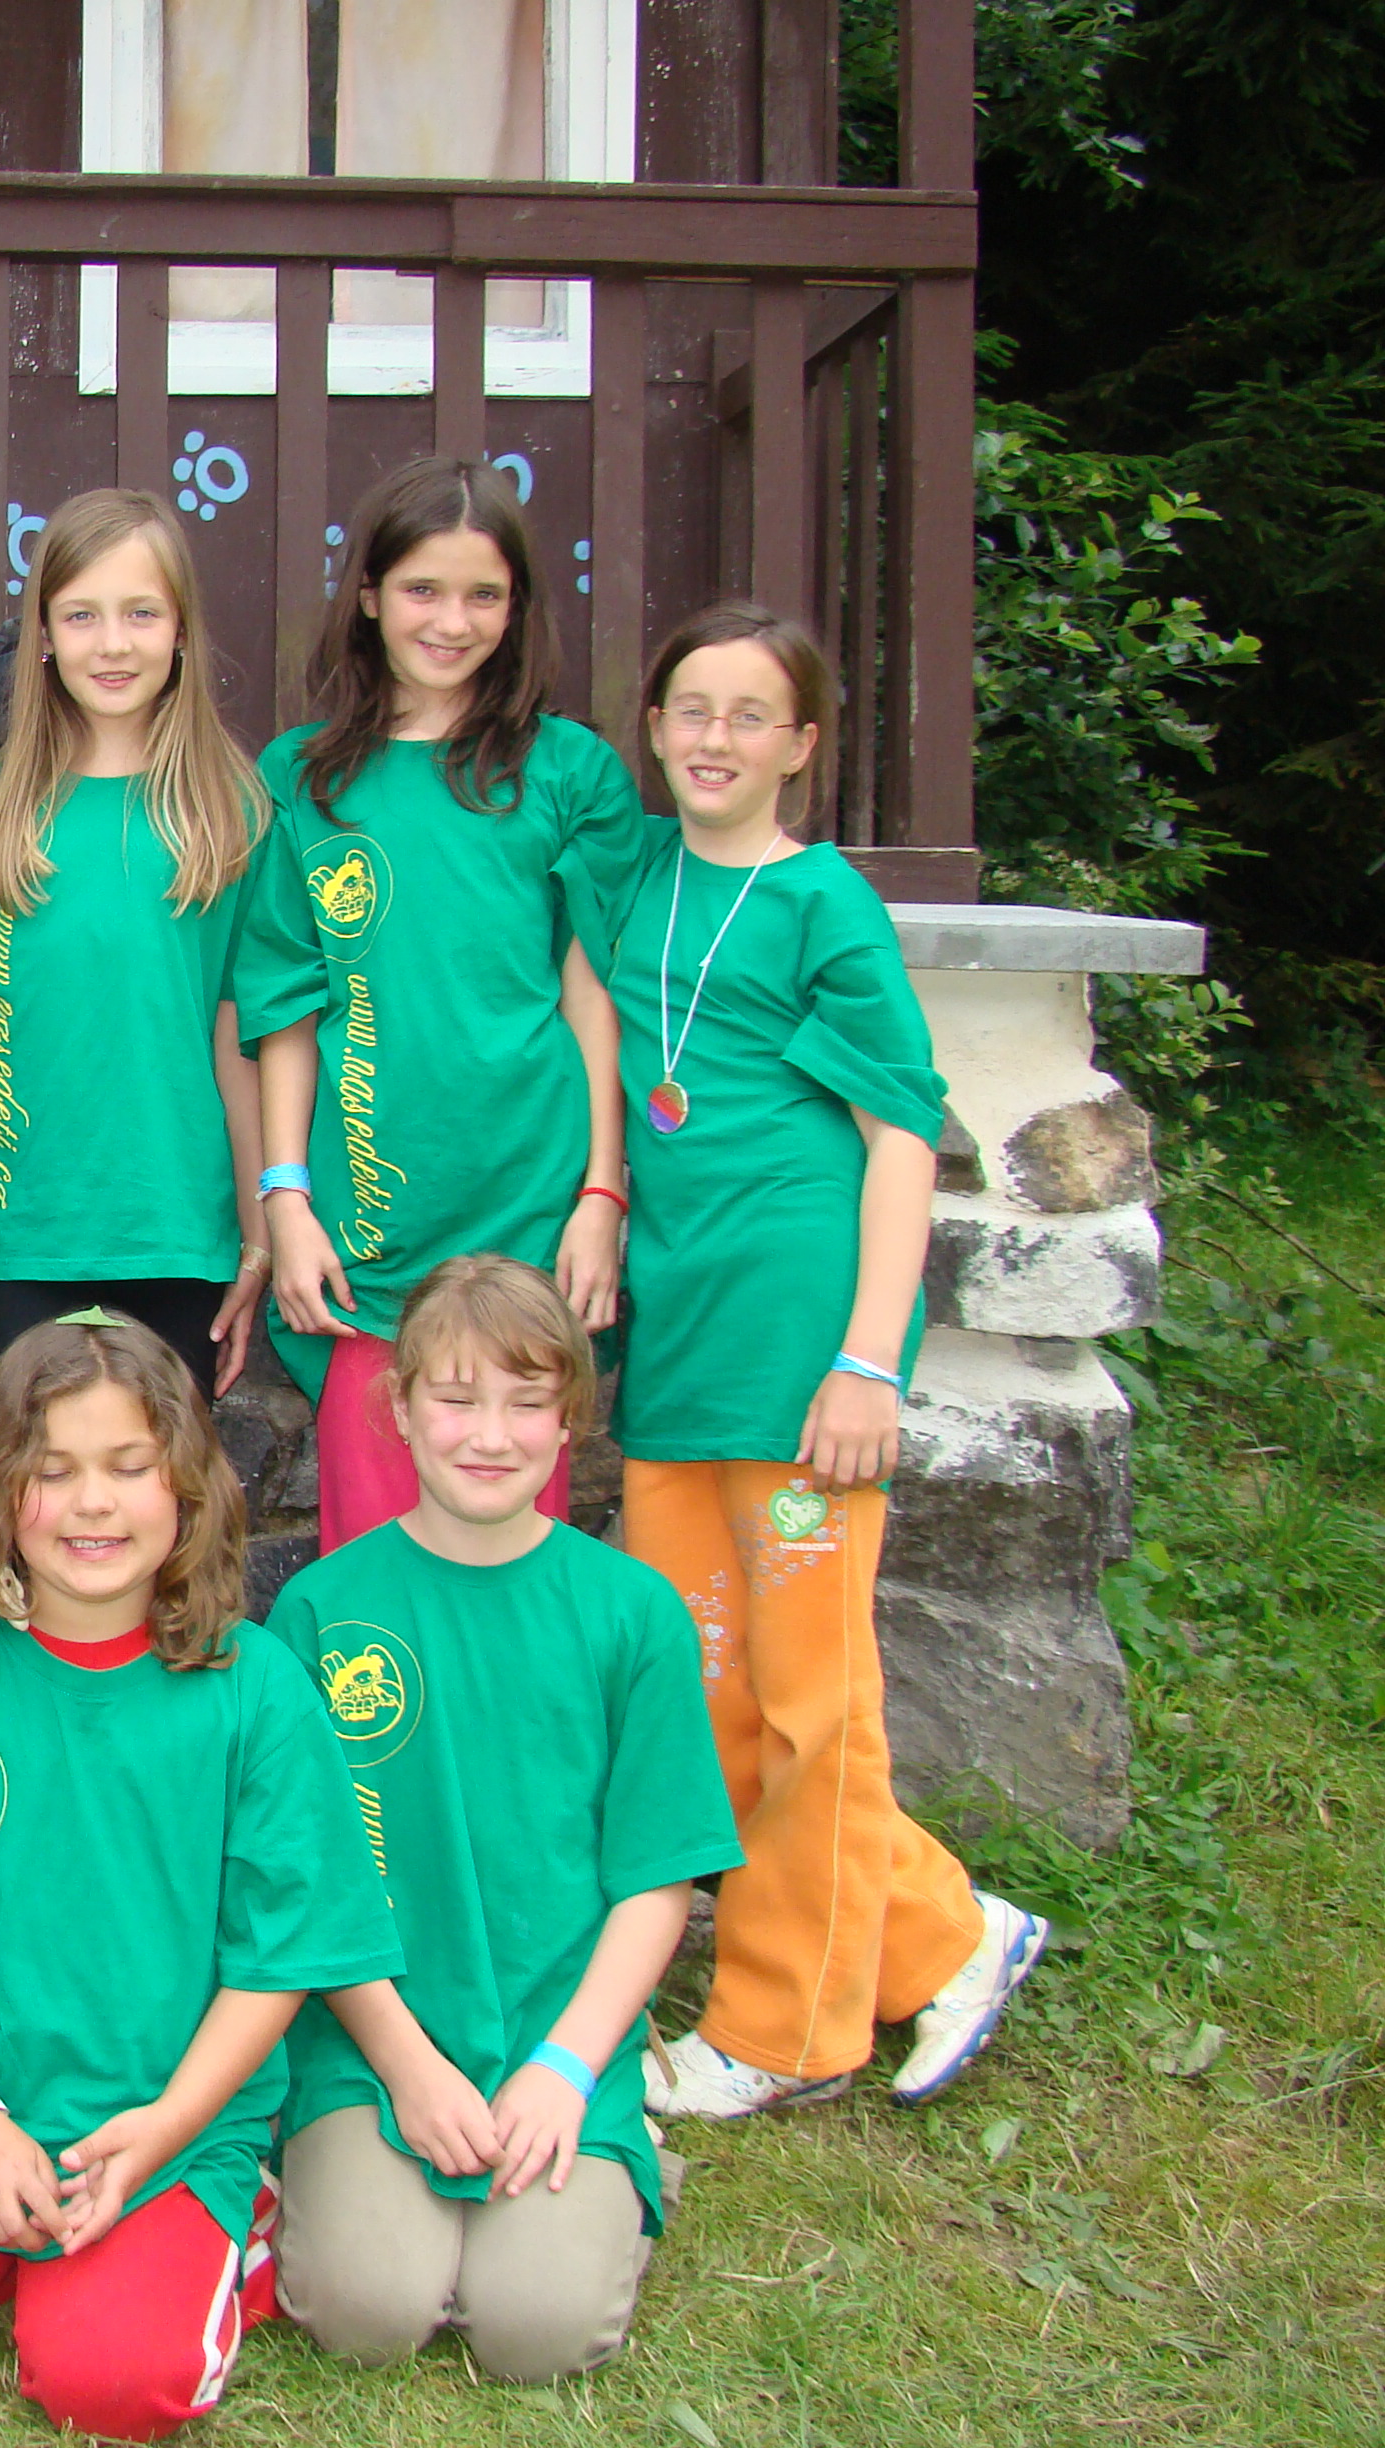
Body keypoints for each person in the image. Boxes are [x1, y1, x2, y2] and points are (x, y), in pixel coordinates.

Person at [0, 1311, 402, 2442]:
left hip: (166, 2114)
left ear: (186, 1485)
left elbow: (282, 1956)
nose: (92, 1503)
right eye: (51, 1471)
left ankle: (228, 2222)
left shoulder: (258, 1688)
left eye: (129, 1467)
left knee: (110, 2384)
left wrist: (166, 2129)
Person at [611, 602, 1050, 2117]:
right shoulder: (639, 876)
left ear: (801, 745)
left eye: (751, 715)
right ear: (653, 727)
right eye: (691, 708)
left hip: (802, 1363)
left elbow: (904, 1136)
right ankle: (946, 1934)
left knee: (811, 1700)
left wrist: (869, 1363)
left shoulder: (823, 907)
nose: (715, 737)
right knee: (702, 1693)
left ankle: (786, 2029)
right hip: (681, 1348)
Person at [260, 1255, 742, 2384]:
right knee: (367, 2312)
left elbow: (657, 1876)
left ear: (571, 1418)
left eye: (527, 1403)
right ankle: (331, 2155)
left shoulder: (633, 1612)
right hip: (376, 2036)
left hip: (554, 2026)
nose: (490, 1435)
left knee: (537, 2333)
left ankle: (619, 2148)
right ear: (400, 1408)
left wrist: (567, 2067)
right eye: (457, 1398)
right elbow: (305, 1880)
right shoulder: (323, 1608)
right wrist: (408, 2067)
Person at [243, 455, 643, 1554]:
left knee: (508, 1539)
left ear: (518, 609)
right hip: (371, 1219)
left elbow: (595, 997)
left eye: (483, 595)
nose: (452, 621)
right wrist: (286, 1200)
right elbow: (286, 1007)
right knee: (373, 1560)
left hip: (530, 1197)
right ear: (370, 594)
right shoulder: (302, 777)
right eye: (423, 588)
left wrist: (602, 1193)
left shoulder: (570, 773)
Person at [0, 488, 271, 1402]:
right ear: (41, 633)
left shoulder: (231, 812)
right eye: (82, 615)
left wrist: (257, 1232)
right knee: (36, 1478)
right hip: (27, 1232)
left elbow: (238, 1036)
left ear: (183, 629)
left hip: (182, 1230)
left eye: (141, 613)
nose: (113, 644)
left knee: (163, 1478)